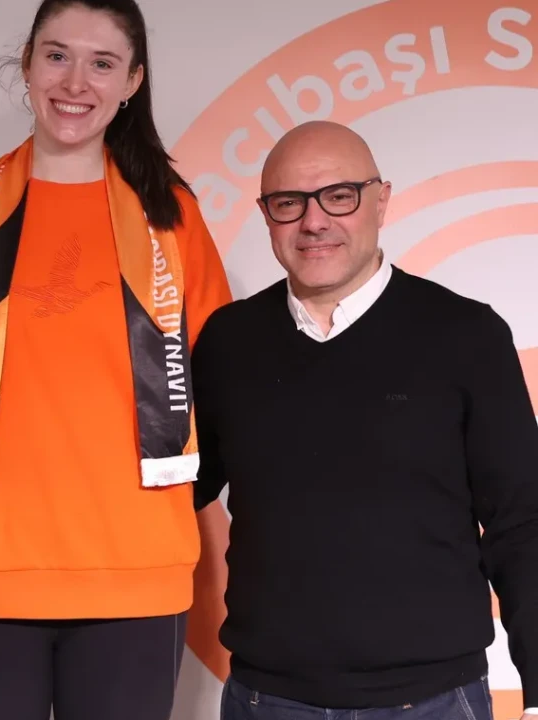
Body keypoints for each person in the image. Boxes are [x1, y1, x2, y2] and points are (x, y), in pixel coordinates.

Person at [0, 0, 233, 717]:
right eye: (57, 55)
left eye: (102, 63)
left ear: (132, 81)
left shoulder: (170, 214)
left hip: (137, 572)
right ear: (27, 64)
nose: (75, 82)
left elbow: (222, 384)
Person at [190, 120, 538, 720]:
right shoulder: (229, 340)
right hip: (265, 699)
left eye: (339, 196)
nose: (314, 221)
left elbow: (522, 521)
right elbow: (176, 487)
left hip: (432, 702)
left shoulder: (466, 335)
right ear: (267, 214)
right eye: (288, 202)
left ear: (381, 201)